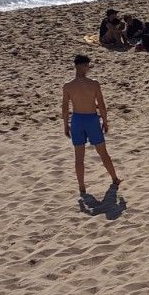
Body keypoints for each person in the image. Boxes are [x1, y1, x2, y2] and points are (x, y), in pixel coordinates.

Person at [62, 55, 120, 194]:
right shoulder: (94, 84)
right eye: (87, 66)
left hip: (77, 120)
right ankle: (114, 178)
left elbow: (65, 108)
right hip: (91, 120)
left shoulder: (68, 86)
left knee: (79, 157)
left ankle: (82, 187)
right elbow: (101, 105)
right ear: (82, 66)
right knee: (103, 153)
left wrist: (65, 124)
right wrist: (105, 121)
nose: (88, 68)